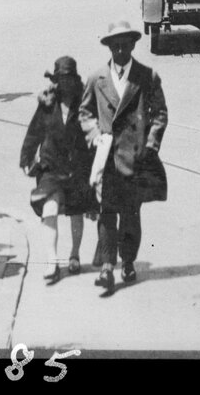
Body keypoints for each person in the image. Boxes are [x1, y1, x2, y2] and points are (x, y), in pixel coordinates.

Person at [80, 21, 168, 293]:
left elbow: (160, 114)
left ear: (132, 45)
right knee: (107, 212)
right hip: (107, 158)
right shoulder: (97, 79)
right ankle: (107, 267)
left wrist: (150, 145)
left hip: (135, 158)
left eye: (124, 44)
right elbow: (85, 113)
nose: (120, 49)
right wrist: (95, 134)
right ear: (108, 46)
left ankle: (128, 260)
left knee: (131, 214)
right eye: (114, 44)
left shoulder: (146, 76)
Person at [20, 56, 94, 285]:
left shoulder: (85, 103)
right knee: (49, 209)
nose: (66, 84)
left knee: (76, 212)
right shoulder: (48, 103)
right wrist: (26, 158)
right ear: (56, 81)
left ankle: (74, 255)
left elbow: (94, 135)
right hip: (51, 166)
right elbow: (34, 133)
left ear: (75, 80)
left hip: (77, 167)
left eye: (69, 79)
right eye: (61, 79)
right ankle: (52, 262)